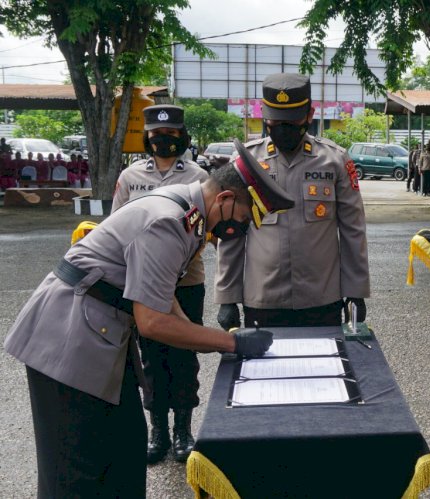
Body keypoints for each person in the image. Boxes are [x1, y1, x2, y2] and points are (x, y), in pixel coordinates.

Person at [3, 155, 282, 497]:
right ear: (224, 199)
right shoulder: (168, 222)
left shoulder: (187, 212)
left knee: (123, 452)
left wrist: (219, 339)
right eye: (242, 219)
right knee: (78, 466)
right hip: (66, 339)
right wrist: (231, 344)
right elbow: (152, 322)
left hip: (95, 333)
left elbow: (162, 296)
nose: (238, 230)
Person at [215, 73, 370, 330]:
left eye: (291, 121)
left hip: (321, 297)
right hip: (263, 296)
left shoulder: (334, 160)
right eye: (275, 121)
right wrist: (227, 297)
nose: (283, 128)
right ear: (265, 116)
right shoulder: (247, 162)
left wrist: (356, 291)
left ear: (309, 115)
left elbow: (353, 230)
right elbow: (232, 233)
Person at [111, 104, 209, 465]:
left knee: (184, 354)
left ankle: (184, 430)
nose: (164, 140)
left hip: (186, 281)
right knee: (150, 356)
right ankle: (158, 433)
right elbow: (116, 226)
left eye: (170, 134)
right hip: (142, 281)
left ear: (182, 135)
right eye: (156, 134)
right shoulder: (130, 177)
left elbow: (205, 229)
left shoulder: (198, 176)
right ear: (147, 137)